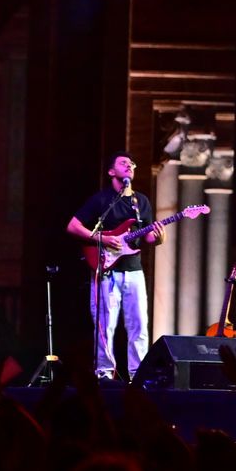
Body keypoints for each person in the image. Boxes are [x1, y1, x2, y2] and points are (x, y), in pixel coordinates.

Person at [65, 152, 164, 380]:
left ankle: (138, 374)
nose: (129, 166)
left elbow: (149, 237)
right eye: (123, 163)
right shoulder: (102, 200)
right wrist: (101, 238)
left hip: (134, 270)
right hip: (106, 270)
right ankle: (104, 373)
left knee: (139, 325)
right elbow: (73, 226)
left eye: (132, 163)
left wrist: (159, 237)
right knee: (104, 326)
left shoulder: (141, 201)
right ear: (112, 172)